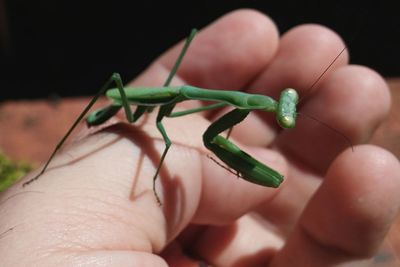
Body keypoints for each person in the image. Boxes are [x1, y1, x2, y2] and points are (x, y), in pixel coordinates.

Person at [1, 9, 399, 267]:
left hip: (152, 111)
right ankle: (56, 155)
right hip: (124, 104)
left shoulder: (236, 105)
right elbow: (174, 131)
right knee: (158, 126)